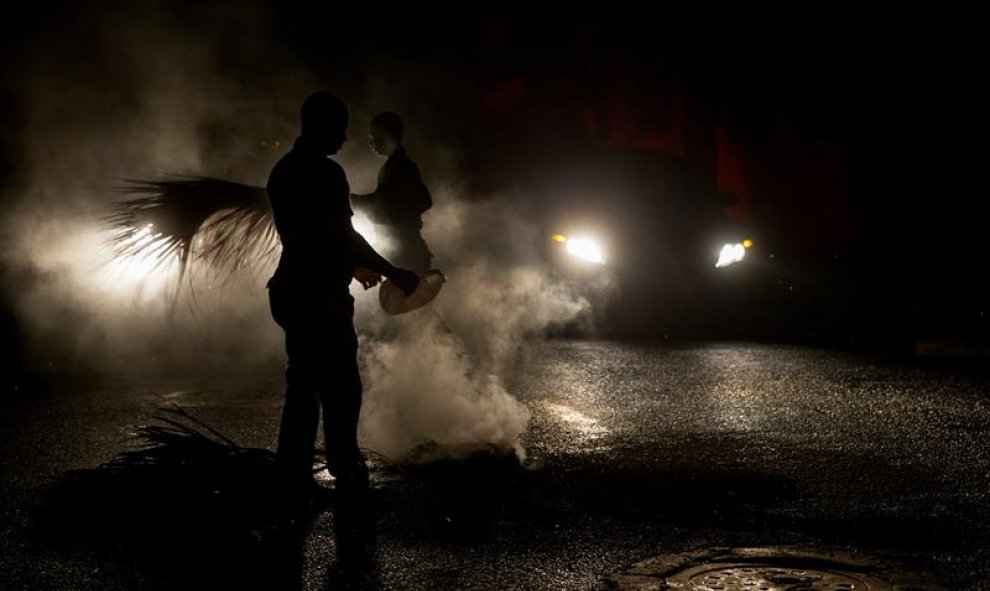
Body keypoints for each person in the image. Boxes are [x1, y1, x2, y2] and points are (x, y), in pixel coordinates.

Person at [266, 92, 419, 508]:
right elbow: (342, 237)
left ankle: (294, 472)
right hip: (318, 297)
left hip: (291, 290)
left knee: (304, 383)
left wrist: (353, 267)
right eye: (340, 126)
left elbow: (310, 238)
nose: (346, 136)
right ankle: (344, 466)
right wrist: (395, 271)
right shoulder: (327, 174)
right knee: (340, 386)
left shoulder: (283, 172)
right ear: (319, 126)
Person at [350, 111, 433, 272]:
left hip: (406, 250)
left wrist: (355, 201)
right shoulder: (395, 165)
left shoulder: (401, 166)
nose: (371, 141)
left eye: (374, 135)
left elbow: (388, 202)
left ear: (388, 134)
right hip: (403, 247)